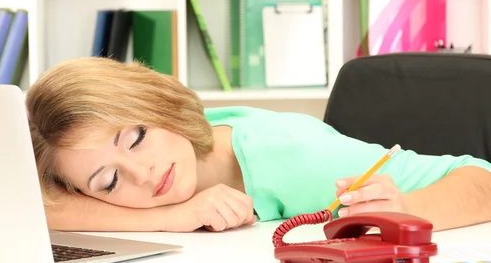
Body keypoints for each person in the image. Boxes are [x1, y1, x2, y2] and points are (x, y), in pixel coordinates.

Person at [25, 57, 491, 233]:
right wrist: (176, 216)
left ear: (158, 103)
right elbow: (38, 206)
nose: (142, 174)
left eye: (136, 139)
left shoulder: (293, 156)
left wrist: (406, 208)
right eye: (108, 181)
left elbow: (482, 180)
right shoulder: (172, 167)